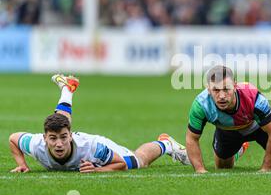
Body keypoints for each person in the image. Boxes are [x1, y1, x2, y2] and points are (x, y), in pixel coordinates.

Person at [9, 74, 190, 173]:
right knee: (60, 124)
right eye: (52, 139)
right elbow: (13, 139)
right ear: (44, 138)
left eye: (64, 138)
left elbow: (121, 164)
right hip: (65, 136)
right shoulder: (36, 144)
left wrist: (99, 170)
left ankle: (166, 144)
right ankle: (67, 88)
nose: (58, 144)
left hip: (100, 148)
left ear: (71, 137)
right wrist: (22, 164)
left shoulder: (92, 147)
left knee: (138, 161)